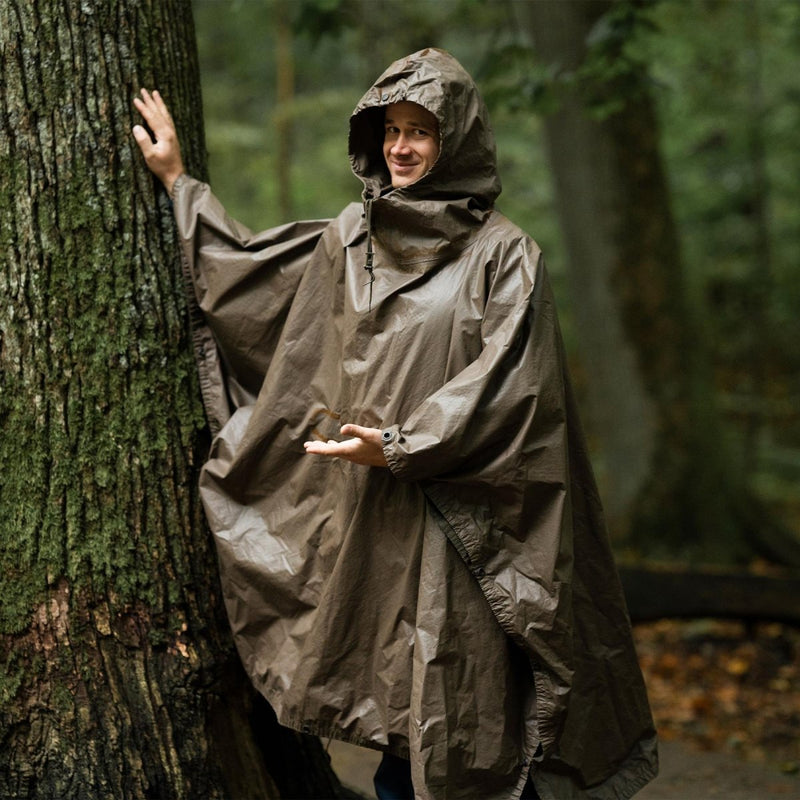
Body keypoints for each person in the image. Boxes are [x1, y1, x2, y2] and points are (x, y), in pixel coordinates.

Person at [133, 48, 657, 800]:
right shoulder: (352, 234)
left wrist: (407, 446)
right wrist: (180, 183)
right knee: (396, 706)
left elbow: (516, 386)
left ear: (457, 141)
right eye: (390, 131)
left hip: (465, 521)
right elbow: (258, 282)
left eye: (420, 131)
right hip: (366, 519)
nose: (401, 148)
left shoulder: (506, 256)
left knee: (463, 704)